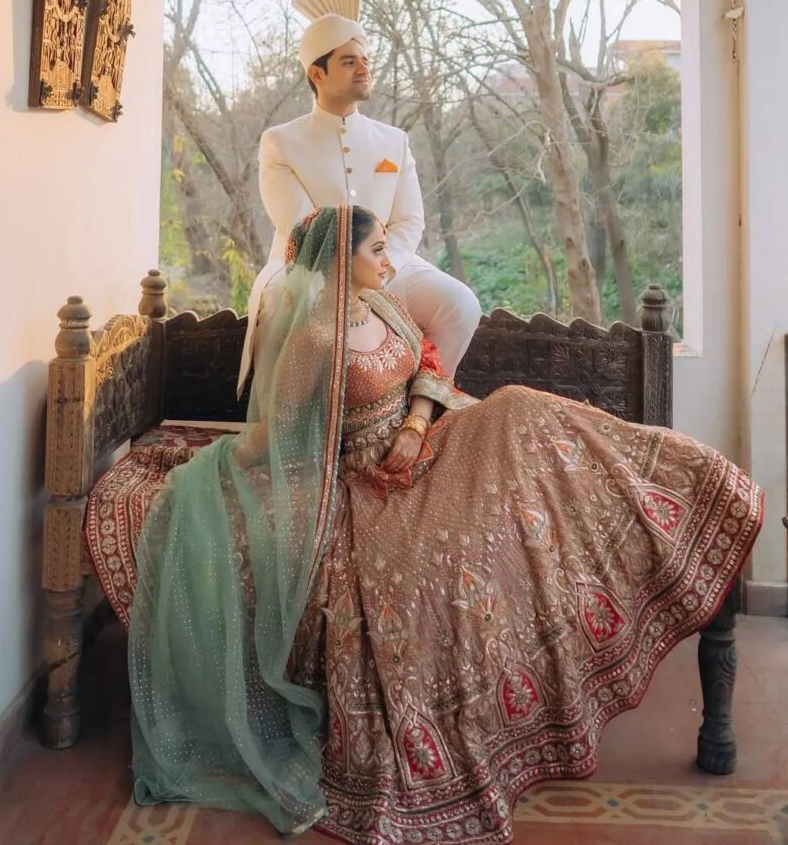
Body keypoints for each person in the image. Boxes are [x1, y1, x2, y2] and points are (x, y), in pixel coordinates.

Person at [129, 206, 762, 845]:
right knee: (445, 556)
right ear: (341, 258)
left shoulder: (384, 306)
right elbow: (284, 434)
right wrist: (201, 462)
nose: (389, 261)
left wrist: (413, 425)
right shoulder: (315, 339)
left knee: (519, 408)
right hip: (374, 479)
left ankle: (686, 481)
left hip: (434, 433)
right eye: (377, 250)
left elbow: (430, 365)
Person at [237, 0, 481, 396]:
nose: (363, 68)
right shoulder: (280, 141)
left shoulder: (394, 141)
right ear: (317, 73)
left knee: (460, 303)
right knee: (279, 303)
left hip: (390, 267)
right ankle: (294, 424)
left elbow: (410, 220)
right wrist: (347, 275)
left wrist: (384, 267)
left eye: (365, 59)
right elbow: (300, 227)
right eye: (349, 61)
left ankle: (420, 410)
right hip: (308, 270)